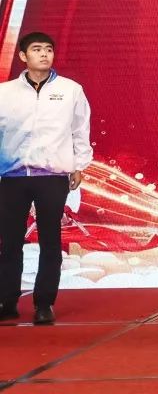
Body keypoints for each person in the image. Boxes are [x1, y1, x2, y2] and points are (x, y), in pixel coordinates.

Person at [0, 32, 93, 325]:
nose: (44, 54)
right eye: (37, 49)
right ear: (23, 56)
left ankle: (44, 303)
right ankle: (7, 301)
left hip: (52, 176)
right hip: (12, 175)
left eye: (49, 49)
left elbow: (80, 130)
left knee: (50, 240)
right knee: (10, 241)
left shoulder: (70, 90)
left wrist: (78, 165)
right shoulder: (5, 93)